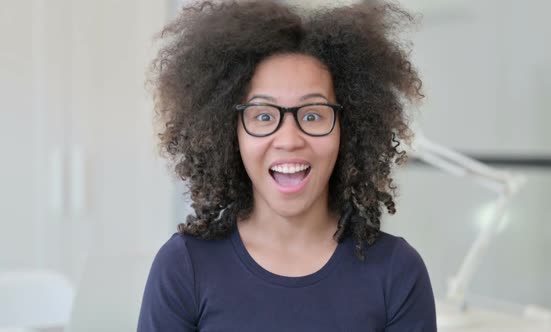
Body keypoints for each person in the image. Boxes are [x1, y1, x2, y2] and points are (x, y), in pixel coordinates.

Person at [138, 1, 436, 331]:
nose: (289, 139)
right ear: (228, 131)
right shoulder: (184, 267)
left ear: (347, 128)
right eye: (264, 116)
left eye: (312, 115)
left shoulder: (397, 272)